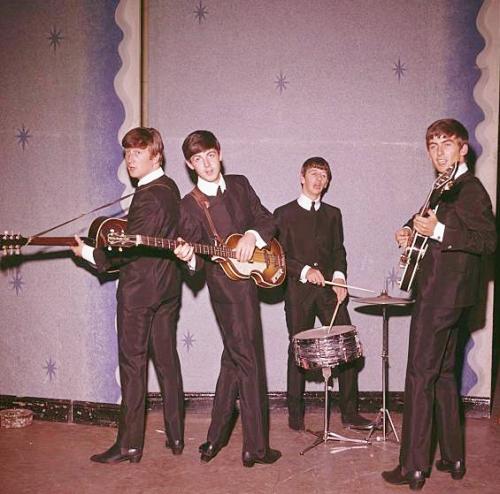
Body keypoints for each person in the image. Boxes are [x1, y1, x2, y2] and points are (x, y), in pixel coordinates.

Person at [382, 119, 496, 489]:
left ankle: (413, 467)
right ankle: (453, 457)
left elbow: (488, 241)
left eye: (447, 144)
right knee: (444, 376)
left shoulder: (470, 188)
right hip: (454, 298)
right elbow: (428, 219)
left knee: (419, 376)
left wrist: (440, 231)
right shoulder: (444, 187)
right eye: (433, 146)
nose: (439, 152)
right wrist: (409, 229)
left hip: (439, 296)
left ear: (463, 149)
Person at [72, 127, 184, 463]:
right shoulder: (171, 188)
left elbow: (129, 250)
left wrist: (89, 254)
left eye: (137, 153)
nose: (130, 159)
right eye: (127, 152)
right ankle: (176, 437)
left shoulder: (148, 195)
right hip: (167, 288)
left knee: (133, 366)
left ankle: (129, 446)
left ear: (156, 156)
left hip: (139, 293)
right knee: (167, 362)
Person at [173, 130, 281, 468]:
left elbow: (267, 219)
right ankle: (256, 448)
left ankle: (214, 439)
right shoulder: (188, 205)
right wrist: (188, 257)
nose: (206, 164)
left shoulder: (240, 184)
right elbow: (195, 264)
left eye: (210, 155)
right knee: (249, 360)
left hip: (251, 281)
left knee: (233, 361)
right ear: (190, 165)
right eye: (198, 159)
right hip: (225, 290)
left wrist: (252, 236)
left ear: (219, 153)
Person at [274, 157, 371, 431]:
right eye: (314, 174)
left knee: (346, 347)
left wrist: (339, 278)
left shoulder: (333, 214)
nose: (319, 180)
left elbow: (339, 251)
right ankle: (295, 415)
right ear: (302, 177)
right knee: (298, 350)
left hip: (329, 293)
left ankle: (350, 413)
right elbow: (278, 256)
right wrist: (305, 270)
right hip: (298, 292)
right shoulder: (283, 214)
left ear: (327, 182)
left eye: (323, 176)